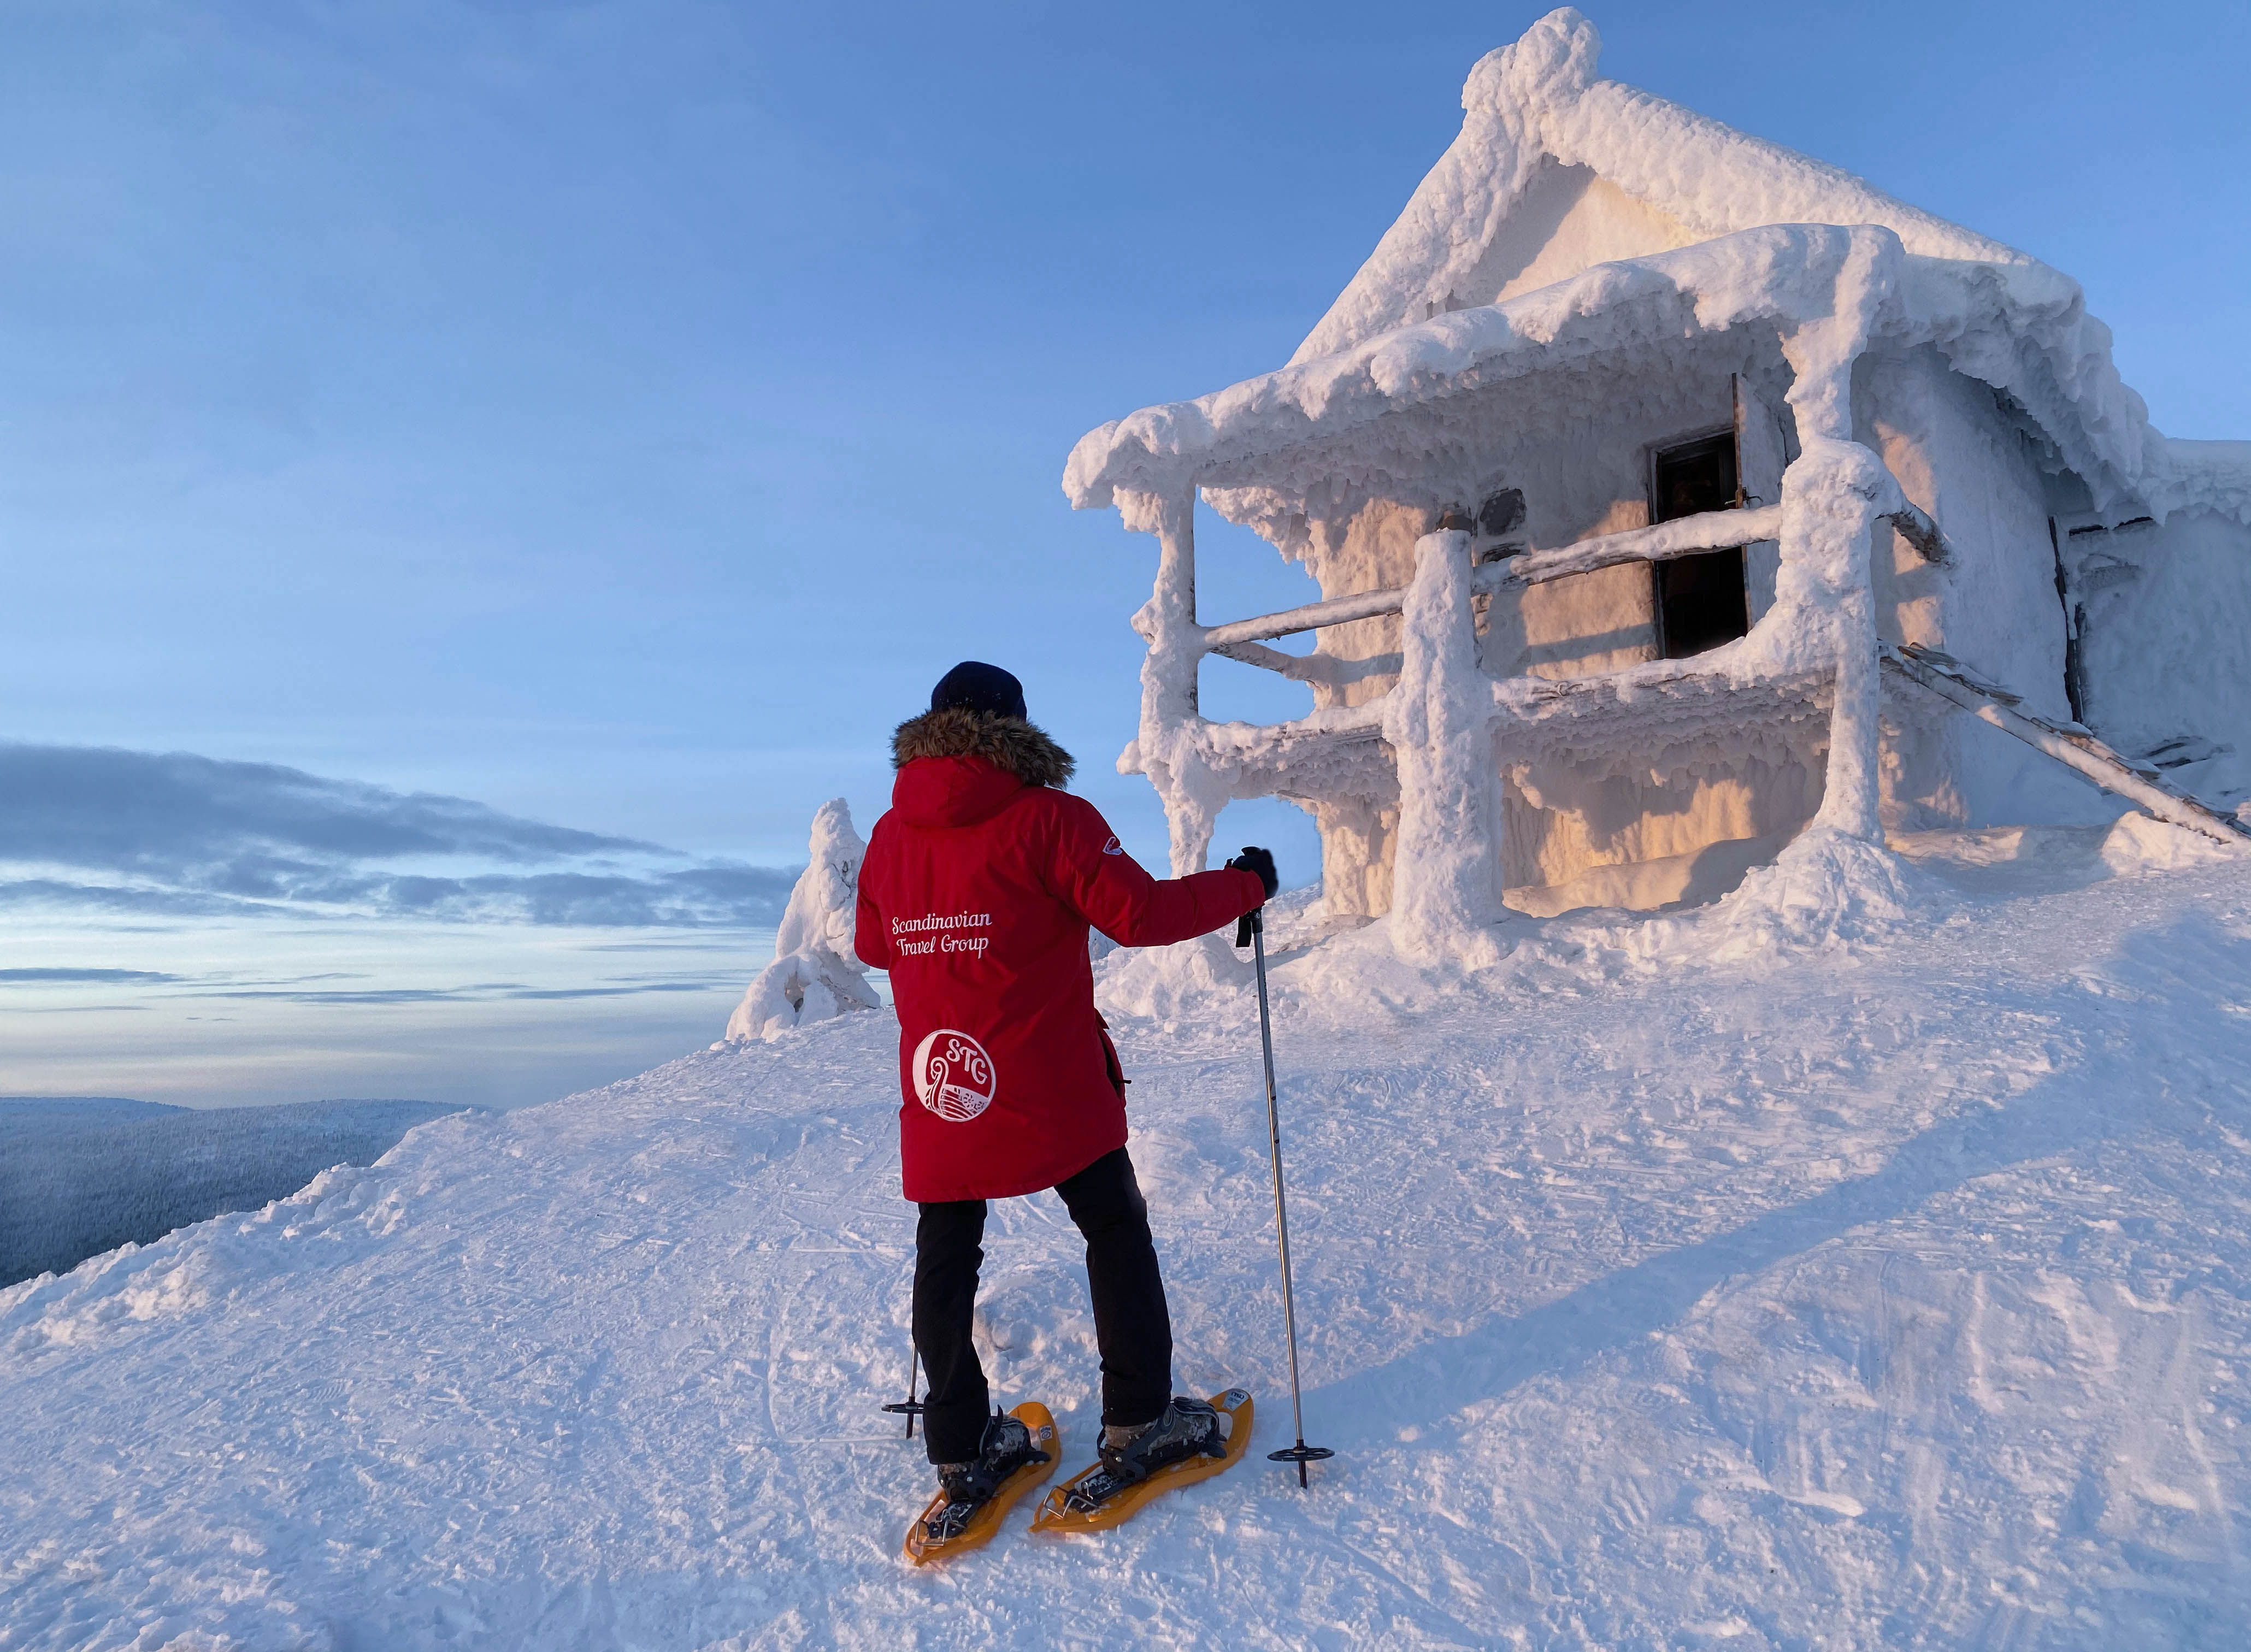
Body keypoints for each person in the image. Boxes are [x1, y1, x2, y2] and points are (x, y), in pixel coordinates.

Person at [855, 660, 1276, 1536]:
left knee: (948, 1247)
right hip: (1049, 1084)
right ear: (1014, 730)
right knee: (1112, 1226)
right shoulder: (1050, 819)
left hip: (946, 1083)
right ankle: (1141, 1423)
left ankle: (965, 1450)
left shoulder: (893, 835)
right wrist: (1247, 885)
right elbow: (1142, 916)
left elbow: (872, 946)